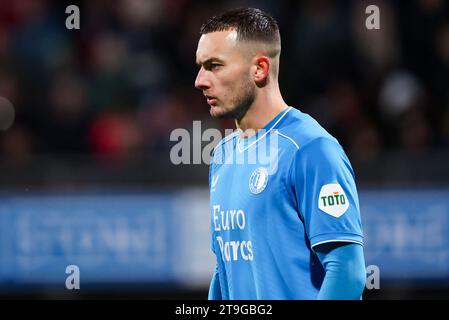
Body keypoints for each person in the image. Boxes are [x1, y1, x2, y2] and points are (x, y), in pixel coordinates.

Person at [194, 7, 366, 300]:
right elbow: (225, 270)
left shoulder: (310, 149)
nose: (200, 80)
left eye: (215, 65)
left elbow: (347, 272)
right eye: (200, 66)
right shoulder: (223, 155)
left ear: (259, 68)